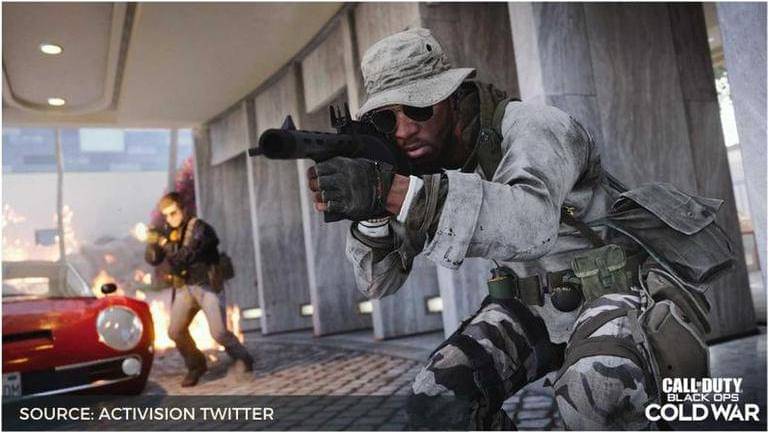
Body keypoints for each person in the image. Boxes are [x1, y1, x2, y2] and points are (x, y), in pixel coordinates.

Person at [306, 27, 667, 429]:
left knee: (596, 392)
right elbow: (378, 283)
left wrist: (400, 194)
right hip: (532, 308)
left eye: (419, 109)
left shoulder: (536, 126)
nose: (404, 130)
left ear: (453, 98)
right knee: (437, 401)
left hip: (614, 291)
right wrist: (373, 210)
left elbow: (532, 226)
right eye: (387, 119)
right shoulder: (419, 162)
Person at [145, 192, 254, 387]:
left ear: (183, 209)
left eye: (173, 213)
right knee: (175, 331)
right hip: (185, 289)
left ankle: (243, 358)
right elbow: (154, 260)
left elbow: (185, 256)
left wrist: (163, 242)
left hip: (207, 287)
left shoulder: (200, 228)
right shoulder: (169, 231)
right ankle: (196, 365)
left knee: (219, 333)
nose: (170, 219)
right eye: (166, 215)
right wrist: (152, 243)